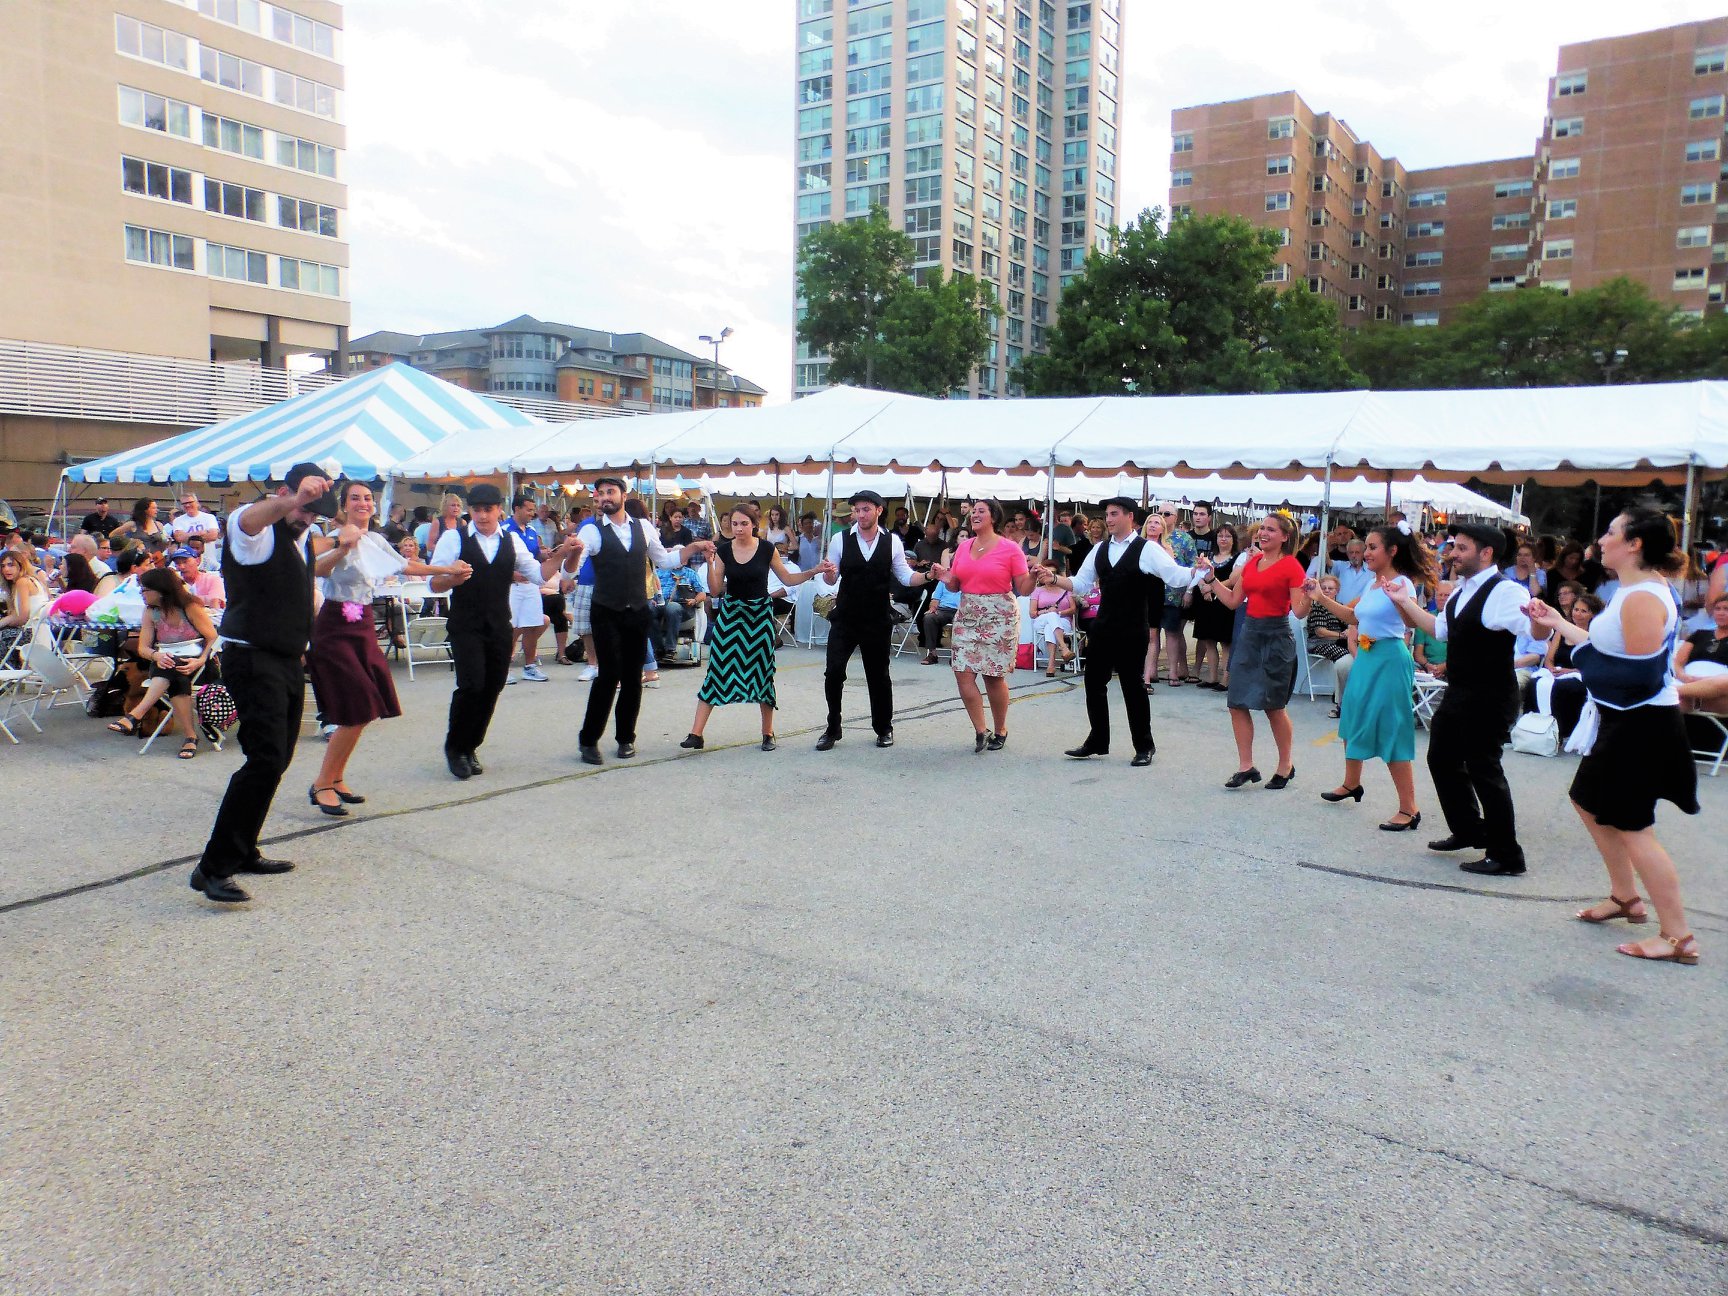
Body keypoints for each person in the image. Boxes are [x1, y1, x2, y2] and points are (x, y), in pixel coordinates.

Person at [1524, 509, 1700, 964]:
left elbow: (1637, 673)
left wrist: (1580, 662)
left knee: (1634, 827)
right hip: (1627, 721)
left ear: (1635, 544)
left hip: (1643, 723)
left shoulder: (1643, 595)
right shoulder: (1629, 591)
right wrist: (1559, 624)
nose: (1601, 540)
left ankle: (1678, 937)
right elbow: (1607, 645)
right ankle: (1625, 897)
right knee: (1587, 798)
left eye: (1610, 533)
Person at [190, 464, 335, 904]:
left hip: (287, 658)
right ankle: (212, 868)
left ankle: (244, 848)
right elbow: (247, 520)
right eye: (304, 507)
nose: (307, 517)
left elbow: (303, 574)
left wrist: (340, 548)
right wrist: (295, 500)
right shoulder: (255, 529)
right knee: (265, 758)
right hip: (252, 656)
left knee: (278, 757)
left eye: (314, 513)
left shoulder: (300, 538)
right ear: (283, 493)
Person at [1385, 521, 1546, 877]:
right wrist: (1404, 603)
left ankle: (1507, 854)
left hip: (1491, 693)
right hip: (1460, 690)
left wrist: (1540, 622)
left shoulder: (1507, 592)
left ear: (1486, 553)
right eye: (1453, 547)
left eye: (1461, 548)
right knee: (1441, 757)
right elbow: (1437, 628)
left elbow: (1536, 633)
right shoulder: (1460, 591)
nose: (1453, 553)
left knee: (1484, 768)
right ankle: (1470, 830)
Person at [306, 480, 472, 809]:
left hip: (363, 622)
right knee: (358, 706)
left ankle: (336, 777)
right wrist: (342, 547)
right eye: (355, 498)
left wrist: (446, 570)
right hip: (336, 623)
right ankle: (322, 782)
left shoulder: (376, 540)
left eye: (367, 498)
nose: (363, 503)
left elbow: (406, 564)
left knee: (366, 709)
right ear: (344, 505)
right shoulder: (334, 538)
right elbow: (315, 569)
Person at [429, 483, 578, 779]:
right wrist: (452, 580)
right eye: (477, 510)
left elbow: (538, 575)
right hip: (465, 624)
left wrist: (560, 556)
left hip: (499, 624)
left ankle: (471, 744)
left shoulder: (511, 540)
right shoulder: (453, 538)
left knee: (493, 685)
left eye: (488, 510)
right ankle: (455, 747)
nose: (482, 516)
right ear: (470, 511)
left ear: (499, 510)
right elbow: (434, 583)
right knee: (471, 684)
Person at [1042, 497, 1199, 766]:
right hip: (1103, 626)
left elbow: (1175, 576)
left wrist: (1199, 572)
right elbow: (1080, 582)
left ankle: (1144, 746)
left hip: (1133, 627)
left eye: (1114, 514)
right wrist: (1053, 578)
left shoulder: (1146, 549)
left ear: (1129, 517)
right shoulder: (1100, 548)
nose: (1109, 519)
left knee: (1132, 686)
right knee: (1093, 683)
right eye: (1107, 514)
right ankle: (1097, 740)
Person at [573, 479, 712, 765]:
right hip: (605, 610)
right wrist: (570, 556)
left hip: (637, 610)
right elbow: (574, 565)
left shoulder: (644, 527)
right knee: (608, 676)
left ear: (624, 495)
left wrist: (692, 547)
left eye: (610, 492)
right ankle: (588, 740)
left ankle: (626, 738)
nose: (605, 497)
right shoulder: (591, 530)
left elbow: (665, 560)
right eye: (601, 494)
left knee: (633, 678)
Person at [1309, 526, 1433, 830]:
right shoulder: (1372, 583)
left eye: (1373, 547)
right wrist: (1320, 597)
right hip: (1366, 655)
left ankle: (1409, 808)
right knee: (1350, 717)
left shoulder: (1402, 583)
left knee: (1391, 729)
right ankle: (1352, 784)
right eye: (1367, 547)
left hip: (1390, 659)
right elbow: (1355, 618)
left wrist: (1403, 600)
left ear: (1392, 551)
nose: (1366, 553)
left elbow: (1408, 622)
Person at [680, 506, 831, 751]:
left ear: (754, 525)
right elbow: (716, 590)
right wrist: (709, 563)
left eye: (743, 523)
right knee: (717, 669)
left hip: (759, 615)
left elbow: (788, 579)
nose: (738, 528)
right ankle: (695, 734)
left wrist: (814, 571)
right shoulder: (724, 551)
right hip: (731, 615)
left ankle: (767, 733)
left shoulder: (766, 549)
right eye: (734, 524)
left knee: (762, 673)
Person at [816, 488, 937, 751]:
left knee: (879, 676)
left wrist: (928, 576)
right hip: (846, 617)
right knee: (833, 673)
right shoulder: (840, 540)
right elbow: (830, 579)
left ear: (879, 510)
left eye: (866, 509)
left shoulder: (892, 541)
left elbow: (905, 577)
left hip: (877, 618)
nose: (860, 514)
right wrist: (828, 573)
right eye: (857, 510)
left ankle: (884, 728)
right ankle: (832, 727)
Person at [1198, 513, 1311, 789]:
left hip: (1276, 636)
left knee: (1274, 706)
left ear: (1285, 537)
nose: (1264, 533)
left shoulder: (1291, 566)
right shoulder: (1251, 563)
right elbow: (1234, 601)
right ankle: (1246, 766)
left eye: (1271, 530)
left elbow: (1298, 610)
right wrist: (1212, 580)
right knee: (1236, 702)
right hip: (1249, 634)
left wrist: (1310, 595)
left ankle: (1285, 765)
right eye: (1262, 528)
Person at [928, 499, 1035, 751]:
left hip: (1000, 615)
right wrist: (944, 576)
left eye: (980, 511)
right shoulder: (963, 547)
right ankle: (980, 729)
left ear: (993, 518)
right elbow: (955, 583)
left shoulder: (1010, 549)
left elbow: (1024, 587)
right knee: (962, 673)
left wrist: (1034, 576)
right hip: (967, 612)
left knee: (992, 677)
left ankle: (1000, 730)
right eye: (973, 511)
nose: (974, 515)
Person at [104, 567, 219, 758]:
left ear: (161, 590)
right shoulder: (150, 612)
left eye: (145, 590)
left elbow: (213, 638)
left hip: (199, 663)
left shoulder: (190, 607)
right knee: (174, 673)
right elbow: (143, 648)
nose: (141, 594)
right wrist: (155, 656)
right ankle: (190, 738)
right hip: (166, 662)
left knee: (173, 670)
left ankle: (136, 715)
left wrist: (199, 661)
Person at [501, 493, 551, 684]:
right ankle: (503, 668)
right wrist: (513, 575)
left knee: (533, 624)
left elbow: (536, 556)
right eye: (529, 509)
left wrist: (549, 554)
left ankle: (529, 666)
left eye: (533, 509)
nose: (533, 513)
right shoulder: (504, 530)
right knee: (511, 628)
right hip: (512, 587)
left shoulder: (530, 531)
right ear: (517, 509)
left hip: (531, 585)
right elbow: (500, 560)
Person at [1191, 521, 1238, 690]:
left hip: (1224, 603)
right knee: (1208, 641)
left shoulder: (1236, 558)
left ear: (1233, 539)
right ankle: (1211, 677)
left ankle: (1225, 679)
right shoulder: (1209, 556)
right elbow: (1198, 574)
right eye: (1220, 535)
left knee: (1226, 643)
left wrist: (1212, 586)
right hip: (1206, 602)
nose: (1223, 539)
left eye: (1227, 536)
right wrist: (1204, 588)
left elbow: (1233, 581)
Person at [1305, 572, 1354, 719]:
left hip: (1339, 642)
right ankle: (1340, 702)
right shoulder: (1317, 607)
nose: (1326, 591)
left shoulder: (1340, 607)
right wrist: (1341, 635)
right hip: (1321, 643)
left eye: (1330, 588)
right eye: (1324, 588)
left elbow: (1350, 623)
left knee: (1356, 656)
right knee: (1346, 658)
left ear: (1337, 591)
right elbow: (1320, 632)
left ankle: (1348, 699)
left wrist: (1348, 630)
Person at [1029, 563, 1076, 677]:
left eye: (1053, 573)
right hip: (1041, 619)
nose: (1048, 575)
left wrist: (1058, 612)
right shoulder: (1037, 590)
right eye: (1044, 573)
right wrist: (1047, 612)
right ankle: (1063, 648)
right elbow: (1032, 613)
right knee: (1051, 617)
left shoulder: (1065, 590)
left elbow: (1073, 609)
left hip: (1063, 620)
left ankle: (1051, 664)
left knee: (1050, 626)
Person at [0, 551, 46, 660]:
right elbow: (16, 614)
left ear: (20, 566)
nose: (6, 569)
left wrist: (3, 622)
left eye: (11, 565)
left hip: (33, 633)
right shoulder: (30, 579)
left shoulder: (22, 582)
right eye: (3, 566)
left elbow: (23, 618)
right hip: (40, 631)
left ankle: (8, 672)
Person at [1331, 538, 1374, 605]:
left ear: (1363, 554)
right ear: (1347, 554)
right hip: (1340, 611)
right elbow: (1326, 560)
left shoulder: (1372, 570)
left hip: (1361, 612)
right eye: (1351, 552)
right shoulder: (1341, 566)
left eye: (1357, 552)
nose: (1354, 555)